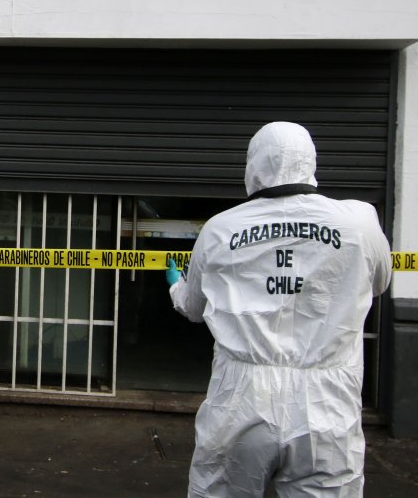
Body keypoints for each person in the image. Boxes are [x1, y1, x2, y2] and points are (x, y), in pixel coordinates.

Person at [168, 121, 392, 498]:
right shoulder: (358, 223)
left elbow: (193, 308)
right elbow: (379, 283)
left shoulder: (221, 229)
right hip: (327, 404)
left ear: (252, 165)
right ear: (311, 161)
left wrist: (176, 286)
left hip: (241, 400)